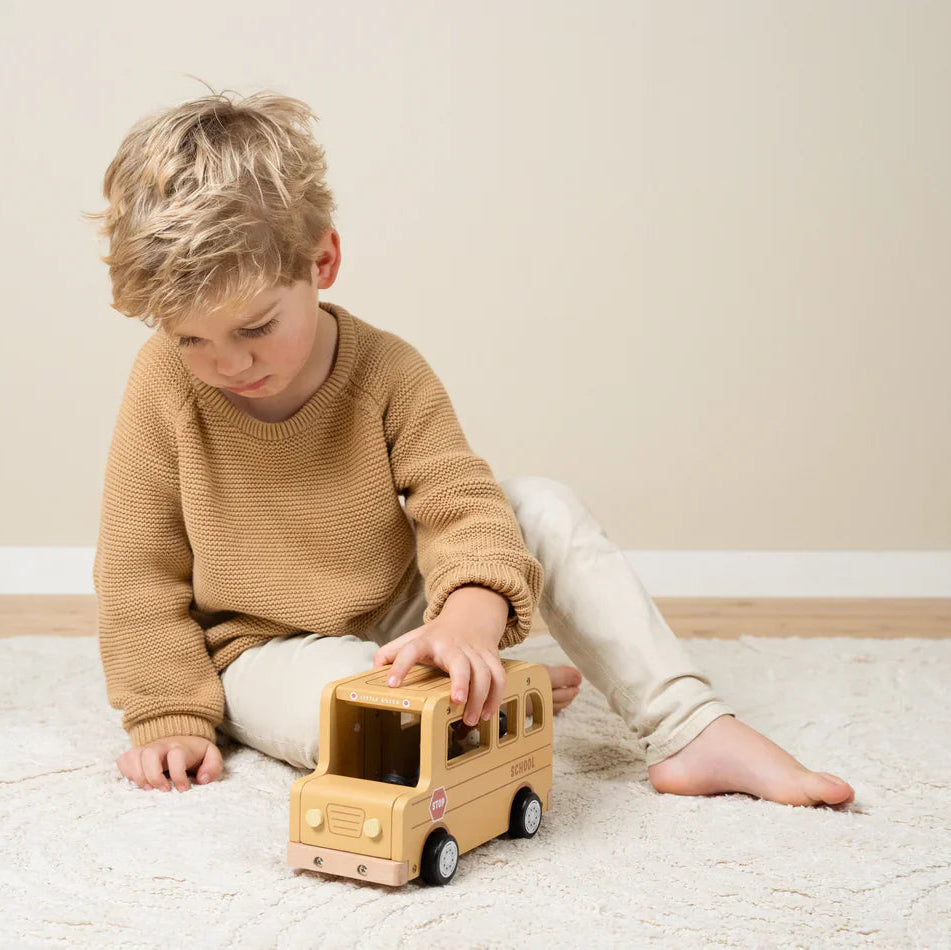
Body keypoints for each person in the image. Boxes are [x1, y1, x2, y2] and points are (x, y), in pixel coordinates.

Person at [87, 85, 854, 809]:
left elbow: (462, 509)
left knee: (541, 504)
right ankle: (478, 696)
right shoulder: (164, 386)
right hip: (262, 650)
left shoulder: (388, 370)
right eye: (190, 337)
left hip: (395, 606)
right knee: (361, 718)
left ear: (321, 261)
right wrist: (168, 714)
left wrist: (467, 618)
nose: (228, 362)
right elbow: (137, 566)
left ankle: (691, 728)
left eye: (254, 327)